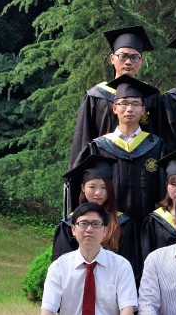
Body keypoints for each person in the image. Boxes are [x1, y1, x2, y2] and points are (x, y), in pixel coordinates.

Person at [84, 75, 164, 226]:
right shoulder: (99, 147)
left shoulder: (157, 146)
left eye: (135, 104)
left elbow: (163, 190)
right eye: (124, 103)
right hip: (109, 225)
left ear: (143, 110)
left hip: (147, 225)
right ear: (114, 108)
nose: (129, 109)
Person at [69, 25, 155, 167]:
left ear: (141, 61)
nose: (128, 62)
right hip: (103, 171)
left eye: (134, 57)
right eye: (123, 56)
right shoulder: (96, 96)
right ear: (112, 58)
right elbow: (83, 138)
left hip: (142, 171)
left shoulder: (151, 96)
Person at [53, 155, 136, 273]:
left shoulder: (123, 222)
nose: (98, 192)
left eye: (104, 187)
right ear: (83, 187)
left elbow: (130, 267)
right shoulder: (68, 224)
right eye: (92, 186)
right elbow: (61, 268)